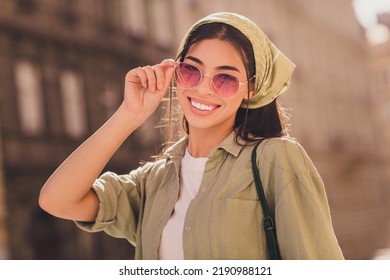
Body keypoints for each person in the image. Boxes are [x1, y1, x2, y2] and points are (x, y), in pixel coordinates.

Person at [39, 12, 344, 260]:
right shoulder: (153, 182)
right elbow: (57, 200)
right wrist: (130, 114)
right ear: (175, 73)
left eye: (225, 78)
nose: (203, 88)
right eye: (191, 71)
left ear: (250, 89)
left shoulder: (275, 159)